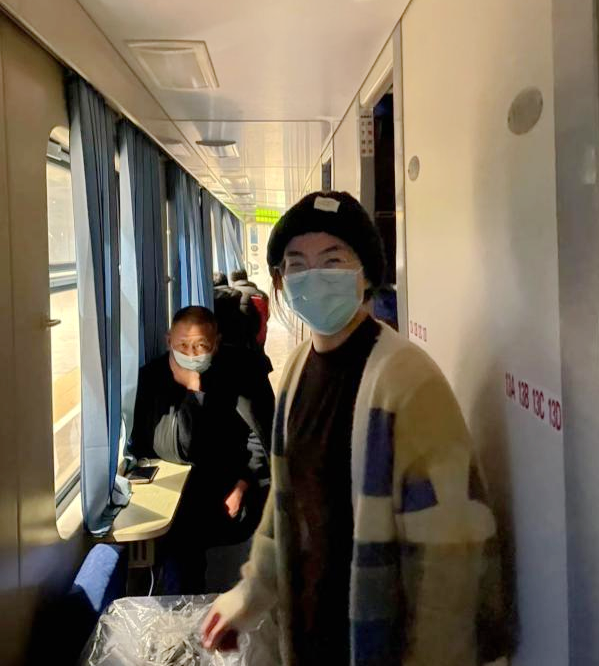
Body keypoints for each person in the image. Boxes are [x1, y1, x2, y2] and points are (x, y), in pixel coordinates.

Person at [201, 192, 507, 665]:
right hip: (310, 631)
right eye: (296, 264)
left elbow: (450, 553)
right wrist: (252, 592)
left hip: (380, 640)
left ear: (366, 274)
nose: (313, 276)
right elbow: (286, 503)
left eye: (333, 260)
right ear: (280, 281)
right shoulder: (297, 369)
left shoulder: (406, 380)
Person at [129, 305, 274, 593]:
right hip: (175, 488)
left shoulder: (243, 372)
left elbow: (260, 437)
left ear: (216, 343)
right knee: (179, 563)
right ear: (169, 340)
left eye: (201, 346)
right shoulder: (151, 379)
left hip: (230, 481)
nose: (192, 354)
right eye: (183, 345)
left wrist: (242, 485)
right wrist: (192, 390)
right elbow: (168, 446)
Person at [230, 268, 270, 350]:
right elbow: (267, 315)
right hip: (260, 336)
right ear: (246, 278)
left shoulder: (230, 295)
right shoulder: (262, 294)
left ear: (232, 280)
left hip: (239, 338)